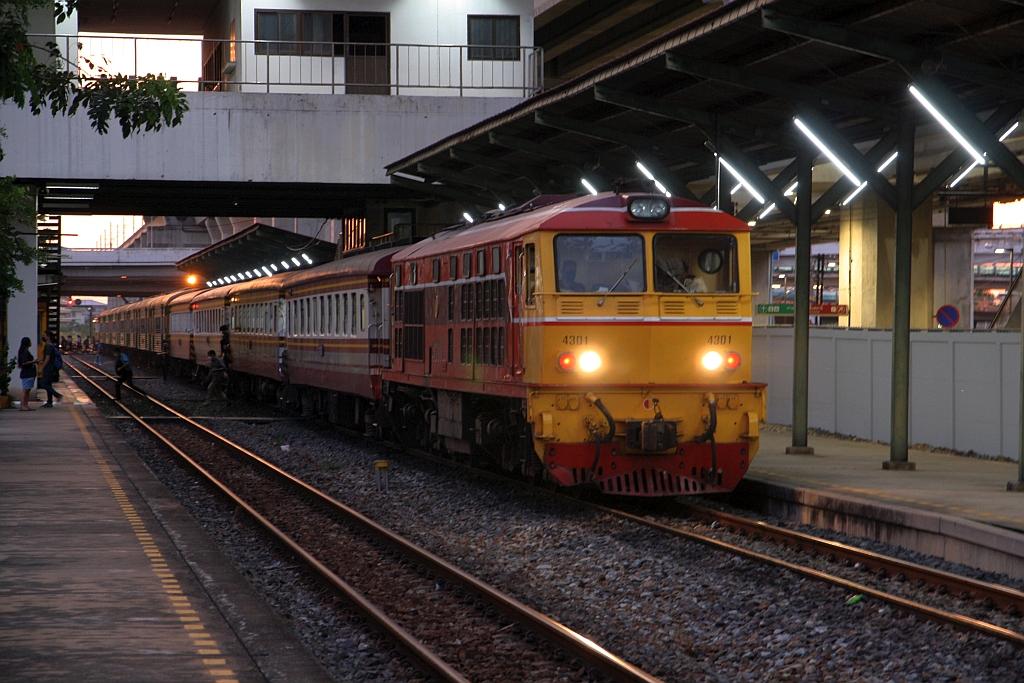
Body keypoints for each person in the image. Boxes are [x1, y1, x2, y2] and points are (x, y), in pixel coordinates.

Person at [38, 331, 63, 407]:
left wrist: (42, 368)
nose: (43, 337)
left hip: (48, 368)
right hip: (50, 368)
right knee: (48, 384)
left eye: (44, 335)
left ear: (48, 336)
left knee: (44, 383)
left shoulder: (48, 346)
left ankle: (57, 395)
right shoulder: (51, 345)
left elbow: (48, 358)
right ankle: (49, 401)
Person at [16, 337, 38, 411]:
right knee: (25, 390)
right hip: (27, 373)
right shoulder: (25, 352)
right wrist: (34, 361)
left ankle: (26, 405)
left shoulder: (24, 351)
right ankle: (23, 405)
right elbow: (24, 362)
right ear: (28, 343)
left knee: (27, 390)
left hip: (28, 373)